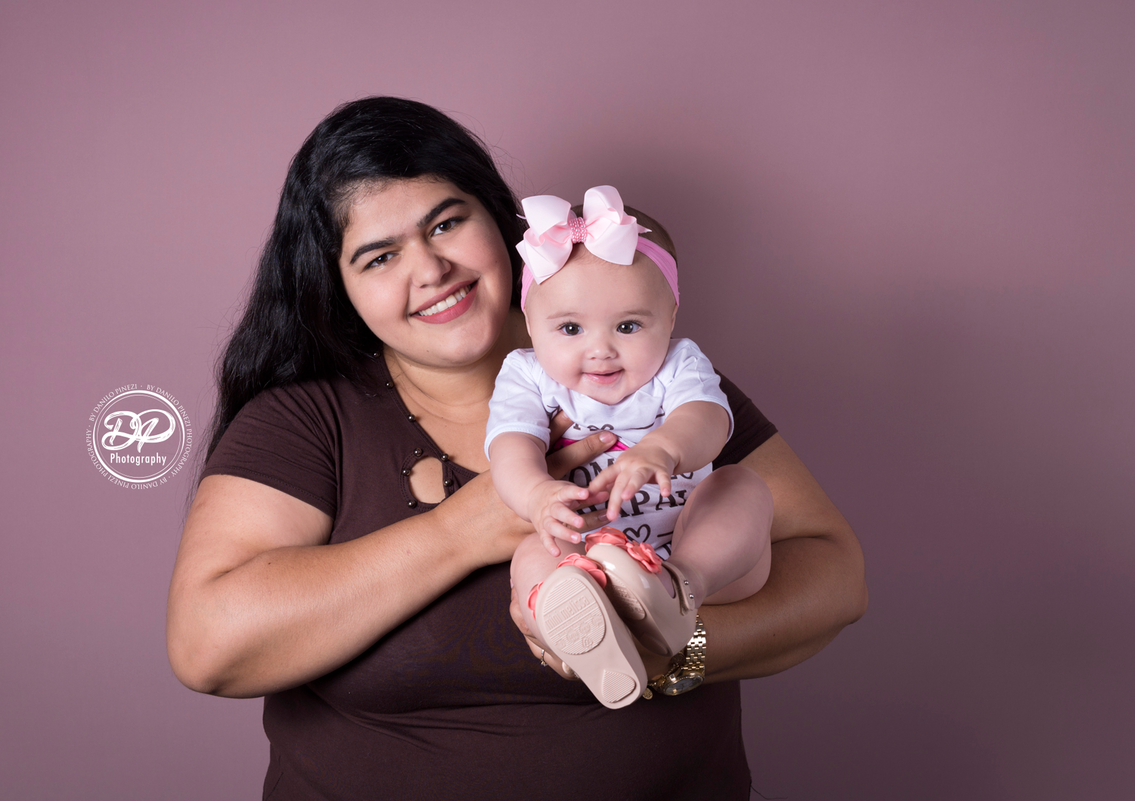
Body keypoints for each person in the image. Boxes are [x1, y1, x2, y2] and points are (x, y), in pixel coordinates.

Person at [167, 96, 867, 800]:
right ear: (341, 289)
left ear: (502, 223)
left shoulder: (645, 373)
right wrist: (461, 531)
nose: (431, 268)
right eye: (379, 256)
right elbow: (208, 647)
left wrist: (674, 652)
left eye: (445, 222)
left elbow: (836, 576)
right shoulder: (309, 419)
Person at [488, 186, 773, 708]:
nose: (600, 349)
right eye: (570, 328)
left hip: (700, 554)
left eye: (628, 325)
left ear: (670, 316)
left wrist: (664, 448)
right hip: (591, 559)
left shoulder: (678, 363)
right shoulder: (527, 375)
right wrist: (534, 496)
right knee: (534, 554)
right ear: (530, 324)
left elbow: (708, 419)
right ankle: (577, 631)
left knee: (741, 486)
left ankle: (677, 590)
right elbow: (510, 444)